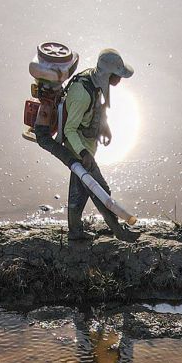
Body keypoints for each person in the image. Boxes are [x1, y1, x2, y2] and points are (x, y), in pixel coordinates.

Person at [33, 48, 139, 242]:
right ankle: (119, 231)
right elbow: (70, 130)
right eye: (118, 76)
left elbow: (98, 106)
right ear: (109, 74)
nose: (120, 80)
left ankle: (75, 232)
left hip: (87, 145)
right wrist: (83, 153)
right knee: (101, 190)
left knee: (79, 192)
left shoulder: (96, 80)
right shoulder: (82, 93)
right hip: (79, 146)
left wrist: (104, 127)